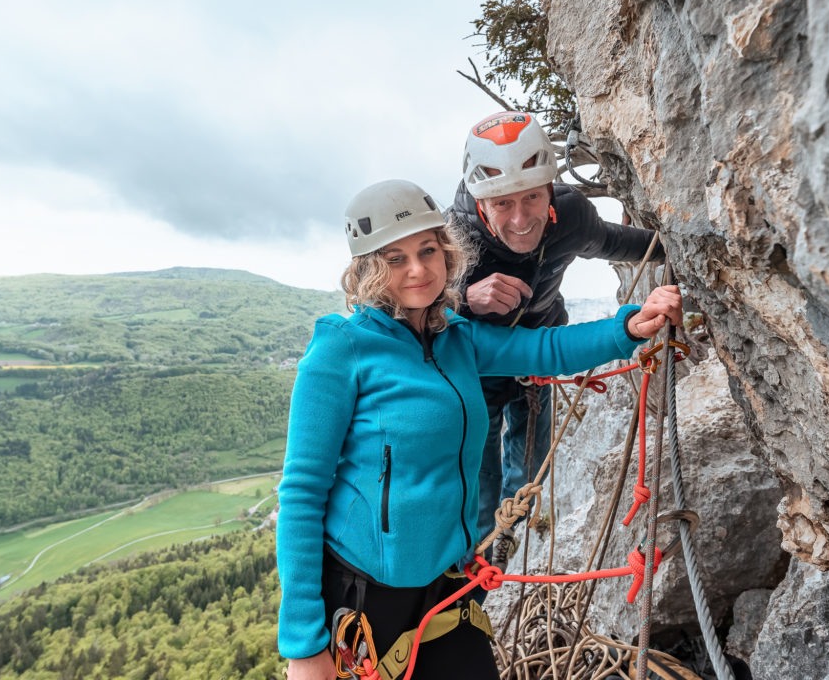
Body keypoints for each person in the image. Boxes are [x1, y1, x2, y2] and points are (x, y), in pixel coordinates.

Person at [276, 179, 681, 680]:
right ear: (368, 270)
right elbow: (301, 493)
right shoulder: (342, 349)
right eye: (395, 259)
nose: (419, 269)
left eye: (428, 250)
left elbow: (546, 349)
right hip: (362, 600)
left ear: (447, 254)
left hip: (448, 587)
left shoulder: (457, 339)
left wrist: (628, 327)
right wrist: (303, 645)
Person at [448, 111, 666, 562]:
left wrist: (674, 245)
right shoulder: (453, 241)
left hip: (540, 355)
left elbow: (611, 240)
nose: (521, 218)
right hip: (477, 368)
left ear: (549, 188)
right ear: (480, 201)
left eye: (530, 197)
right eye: (502, 204)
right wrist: (463, 297)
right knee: (481, 481)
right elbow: (409, 308)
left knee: (532, 465)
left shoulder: (568, 218)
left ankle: (511, 529)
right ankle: (479, 565)